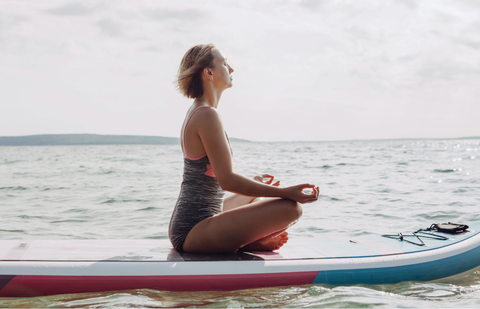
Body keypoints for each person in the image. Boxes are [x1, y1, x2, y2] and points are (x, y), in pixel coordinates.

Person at [169, 43, 319, 253]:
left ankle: (250, 241)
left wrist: (256, 184)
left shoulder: (201, 111)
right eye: (224, 63)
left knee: (261, 199)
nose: (231, 69)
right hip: (192, 230)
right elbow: (227, 180)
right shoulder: (206, 115)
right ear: (209, 72)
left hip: (201, 219)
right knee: (290, 207)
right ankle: (251, 243)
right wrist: (285, 192)